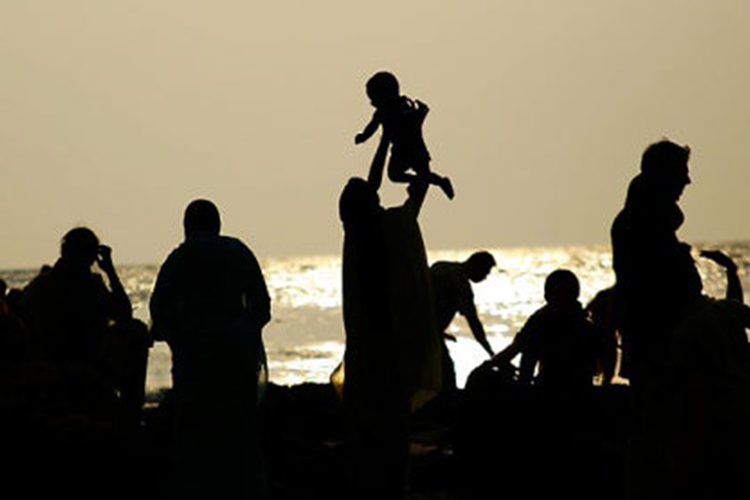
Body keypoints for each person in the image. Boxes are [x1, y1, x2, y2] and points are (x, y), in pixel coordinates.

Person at [340, 133, 443, 499]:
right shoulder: (388, 229)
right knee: (393, 416)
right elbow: (409, 201)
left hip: (364, 342)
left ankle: (366, 478)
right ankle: (394, 479)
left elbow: (371, 186)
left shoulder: (355, 234)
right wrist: (422, 172)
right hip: (391, 340)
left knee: (366, 416)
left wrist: (385, 138)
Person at [150, 199, 271, 500]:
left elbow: (159, 311)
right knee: (240, 435)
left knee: (195, 437)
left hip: (193, 361)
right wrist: (243, 332)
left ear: (186, 226)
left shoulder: (178, 259)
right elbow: (263, 307)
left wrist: (179, 338)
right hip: (237, 359)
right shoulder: (238, 252)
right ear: (218, 224)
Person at [19, 227, 149, 427]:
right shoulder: (90, 285)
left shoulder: (39, 285)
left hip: (47, 362)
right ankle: (131, 413)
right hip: (86, 362)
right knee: (137, 331)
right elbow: (124, 313)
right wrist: (110, 271)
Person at [491, 269, 602, 388]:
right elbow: (597, 367)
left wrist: (490, 365)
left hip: (548, 387)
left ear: (547, 296)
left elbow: (520, 352)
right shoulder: (587, 325)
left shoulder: (540, 320)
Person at [355, 70, 454, 199]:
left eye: (374, 99)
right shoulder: (381, 112)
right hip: (399, 150)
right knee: (394, 175)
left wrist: (419, 115)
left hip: (414, 148)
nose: (372, 103)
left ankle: (440, 181)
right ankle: (419, 180)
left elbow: (412, 122)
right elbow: (372, 126)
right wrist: (363, 136)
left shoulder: (402, 106)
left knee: (424, 173)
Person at [430, 251, 496, 391]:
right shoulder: (461, 284)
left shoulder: (440, 266)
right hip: (429, 335)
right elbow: (474, 323)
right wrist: (491, 353)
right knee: (447, 376)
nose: (485, 277)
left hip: (423, 329)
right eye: (485, 273)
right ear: (477, 266)